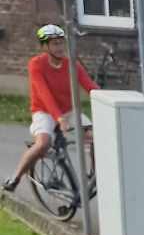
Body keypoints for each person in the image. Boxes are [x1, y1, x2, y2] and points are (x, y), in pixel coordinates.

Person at [4, 25, 97, 194]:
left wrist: (111, 100)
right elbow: (44, 94)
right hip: (44, 111)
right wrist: (59, 118)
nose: (60, 47)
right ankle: (15, 178)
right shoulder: (36, 65)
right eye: (55, 44)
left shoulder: (72, 65)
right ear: (44, 46)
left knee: (95, 137)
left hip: (68, 111)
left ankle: (94, 175)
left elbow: (91, 87)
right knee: (43, 143)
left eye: (61, 43)